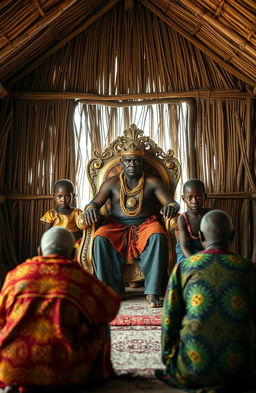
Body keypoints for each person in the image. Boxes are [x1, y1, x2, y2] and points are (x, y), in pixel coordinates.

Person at [0, 227, 121, 393]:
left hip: (10, 366)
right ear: (73, 254)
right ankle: (98, 374)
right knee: (100, 323)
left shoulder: (16, 275)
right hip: (67, 371)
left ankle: (19, 380)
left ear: (40, 251)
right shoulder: (81, 278)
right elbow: (110, 309)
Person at [156, 210, 256, 392]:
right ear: (232, 235)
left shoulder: (183, 268)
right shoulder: (249, 268)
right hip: (242, 372)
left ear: (200, 236)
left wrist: (169, 359)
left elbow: (169, 320)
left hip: (192, 369)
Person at [84, 143, 180, 308]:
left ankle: (152, 292)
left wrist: (171, 208)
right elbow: (93, 203)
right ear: (121, 163)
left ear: (142, 163)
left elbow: (172, 203)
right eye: (128, 161)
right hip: (116, 226)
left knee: (158, 235)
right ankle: (111, 291)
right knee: (100, 237)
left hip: (145, 224)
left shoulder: (152, 182)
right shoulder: (111, 183)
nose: (132, 164)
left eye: (136, 161)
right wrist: (91, 209)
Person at [40, 179, 82, 250]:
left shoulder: (77, 213)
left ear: (73, 196)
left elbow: (83, 232)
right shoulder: (51, 214)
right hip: (57, 245)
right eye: (59, 196)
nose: (63, 200)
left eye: (67, 196)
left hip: (75, 245)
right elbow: (47, 235)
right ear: (54, 196)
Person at [176, 179, 209, 263]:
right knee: (184, 266)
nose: (194, 201)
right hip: (188, 251)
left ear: (205, 196)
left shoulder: (210, 215)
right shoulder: (182, 219)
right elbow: (184, 247)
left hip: (206, 249)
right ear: (183, 198)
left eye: (198, 197)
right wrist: (194, 262)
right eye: (189, 198)